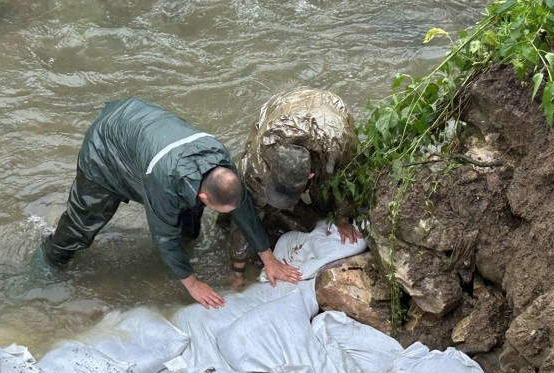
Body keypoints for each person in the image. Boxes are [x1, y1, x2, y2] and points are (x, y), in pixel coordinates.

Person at [40, 97, 301, 308]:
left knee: (188, 227)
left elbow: (240, 206)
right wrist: (192, 284)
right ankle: (49, 261)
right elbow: (162, 237)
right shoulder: (163, 183)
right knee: (83, 223)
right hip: (107, 147)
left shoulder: (220, 161)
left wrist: (268, 258)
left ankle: (186, 246)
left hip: (149, 133)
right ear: (204, 196)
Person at [220, 88, 364, 282]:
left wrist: (342, 217)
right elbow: (244, 209)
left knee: (328, 192)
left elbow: (349, 176)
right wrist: (237, 266)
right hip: (280, 108)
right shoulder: (261, 155)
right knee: (251, 199)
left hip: (328, 112)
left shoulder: (338, 145)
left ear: (311, 175)